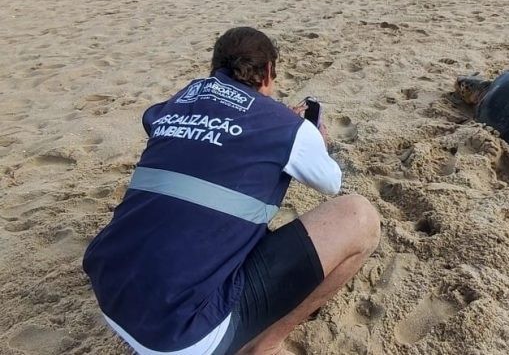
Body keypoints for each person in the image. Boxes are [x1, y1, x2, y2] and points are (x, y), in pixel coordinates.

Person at [82, 27, 381, 355]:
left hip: (111, 294)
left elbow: (189, 129)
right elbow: (331, 182)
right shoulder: (287, 127)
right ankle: (265, 345)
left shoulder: (177, 102)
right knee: (360, 217)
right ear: (268, 72)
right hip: (182, 335)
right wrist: (311, 139)